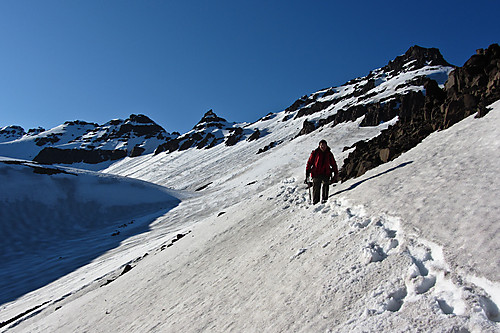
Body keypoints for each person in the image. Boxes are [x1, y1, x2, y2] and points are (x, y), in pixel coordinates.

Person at [305, 140, 339, 204]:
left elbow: (333, 164)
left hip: (326, 173)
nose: (323, 146)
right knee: (316, 188)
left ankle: (325, 200)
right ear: (319, 146)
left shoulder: (329, 154)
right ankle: (316, 202)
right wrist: (307, 171)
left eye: (324, 145)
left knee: (326, 186)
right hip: (316, 173)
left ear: (326, 146)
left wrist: (336, 172)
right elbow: (309, 162)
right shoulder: (315, 153)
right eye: (321, 145)